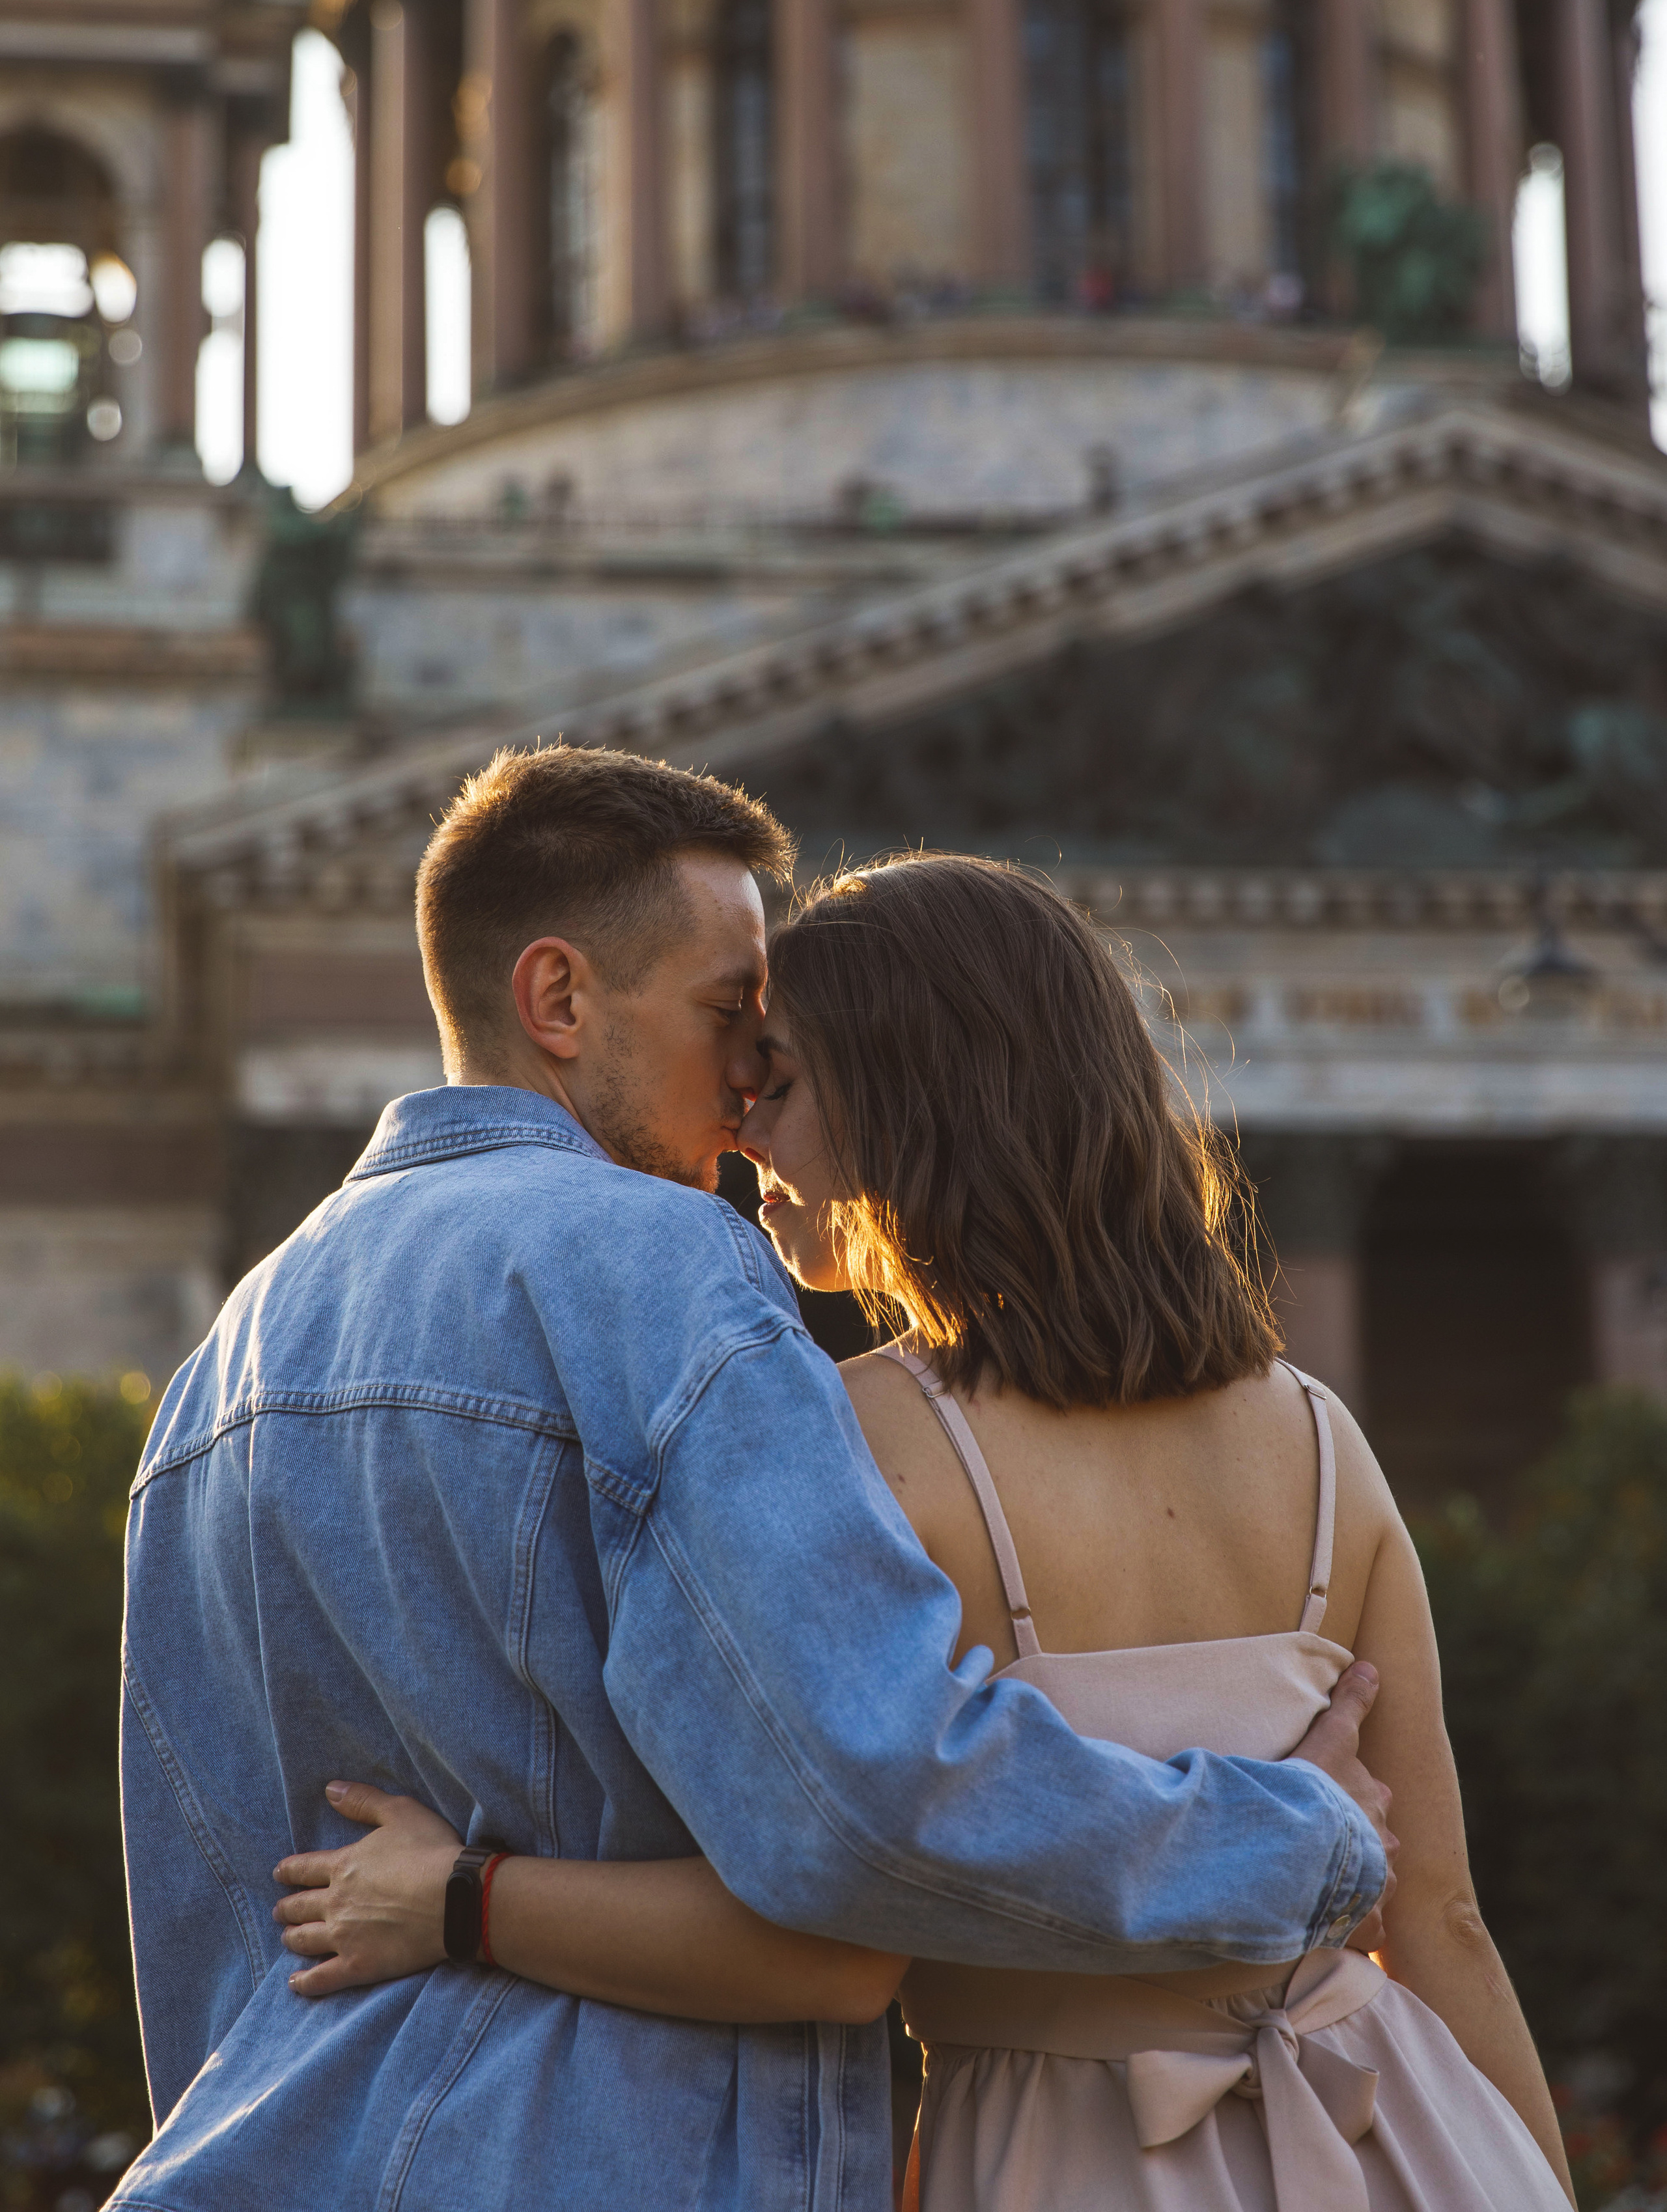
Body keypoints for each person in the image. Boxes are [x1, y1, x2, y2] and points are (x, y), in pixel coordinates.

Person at [113, 752, 1386, 2212]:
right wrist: (1296, 1842)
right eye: (730, 1017)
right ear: (558, 1000)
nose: (749, 1084)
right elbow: (869, 1813)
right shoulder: (653, 1267)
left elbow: (208, 1928)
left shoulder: (217, 1374)